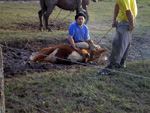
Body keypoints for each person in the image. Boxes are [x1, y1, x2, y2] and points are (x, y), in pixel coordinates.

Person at [98, 0, 137, 75]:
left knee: (118, 44)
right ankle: (121, 63)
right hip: (128, 20)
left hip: (126, 21)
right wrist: (114, 19)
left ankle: (111, 67)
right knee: (125, 43)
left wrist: (131, 23)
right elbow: (117, 5)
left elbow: (128, 11)